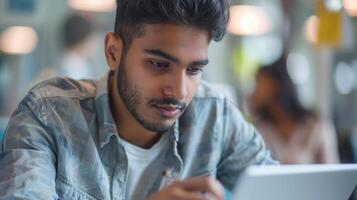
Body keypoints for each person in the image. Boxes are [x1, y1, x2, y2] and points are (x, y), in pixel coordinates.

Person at [0, 0, 277, 199]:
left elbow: (286, 190)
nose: (179, 91)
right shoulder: (48, 115)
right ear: (113, 52)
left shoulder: (216, 116)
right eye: (158, 64)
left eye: (194, 70)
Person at [248, 57, 339, 164]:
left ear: (275, 86)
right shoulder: (258, 129)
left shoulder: (316, 126)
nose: (254, 91)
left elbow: (331, 171)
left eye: (259, 84)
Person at [59, 14, 96, 80]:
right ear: (82, 39)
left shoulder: (78, 62)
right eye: (91, 38)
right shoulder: (72, 66)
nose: (94, 43)